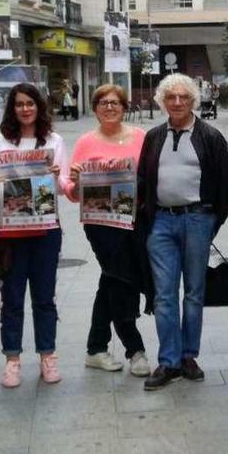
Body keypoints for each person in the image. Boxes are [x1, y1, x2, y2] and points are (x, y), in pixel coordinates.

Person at [137, 73, 228, 391]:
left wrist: (211, 223)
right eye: (171, 97)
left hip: (198, 220)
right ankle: (169, 361)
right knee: (164, 295)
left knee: (194, 292)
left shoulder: (210, 136)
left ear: (193, 100)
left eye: (183, 97)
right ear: (162, 102)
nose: (177, 102)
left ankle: (189, 356)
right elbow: (142, 180)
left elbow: (225, 185)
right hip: (162, 223)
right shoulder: (153, 137)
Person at [0, 83, 68, 388]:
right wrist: (3, 182)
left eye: (30, 103)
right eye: (19, 104)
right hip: (10, 229)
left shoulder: (54, 141)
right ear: (12, 108)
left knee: (45, 296)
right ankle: (12, 359)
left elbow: (63, 186)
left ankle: (48, 355)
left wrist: (58, 177)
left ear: (39, 106)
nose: (25, 109)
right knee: (12, 297)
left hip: (46, 228)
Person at [64, 84, 151, 377]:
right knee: (122, 278)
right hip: (100, 223)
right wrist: (75, 183)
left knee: (112, 280)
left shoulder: (141, 137)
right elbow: (72, 191)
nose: (109, 107)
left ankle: (95, 347)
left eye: (114, 102)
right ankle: (135, 349)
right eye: (102, 102)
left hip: (136, 219)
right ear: (95, 107)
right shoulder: (85, 142)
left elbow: (152, 175)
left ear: (124, 107)